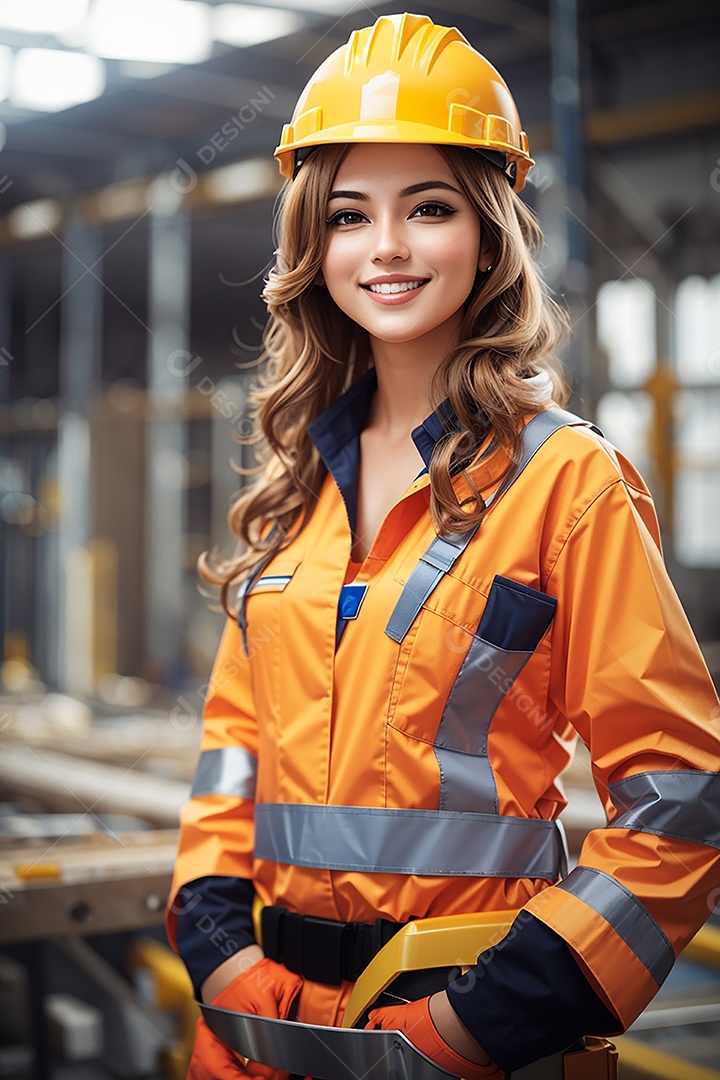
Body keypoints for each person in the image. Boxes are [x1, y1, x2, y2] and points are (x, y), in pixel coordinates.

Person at [167, 12, 720, 1080]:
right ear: (309, 243)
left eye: (428, 207)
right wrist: (218, 949)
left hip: (456, 1027)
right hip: (257, 1028)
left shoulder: (567, 484)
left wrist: (481, 1026)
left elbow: (679, 802)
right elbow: (233, 756)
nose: (385, 247)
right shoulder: (296, 484)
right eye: (347, 215)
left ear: (489, 230)